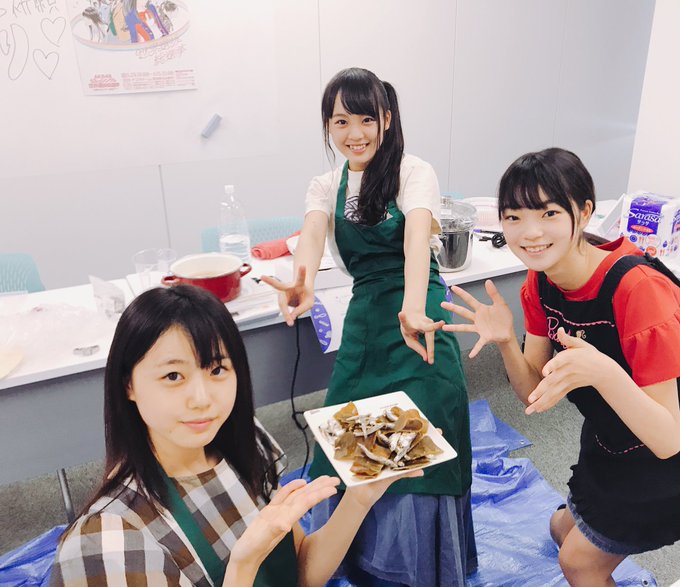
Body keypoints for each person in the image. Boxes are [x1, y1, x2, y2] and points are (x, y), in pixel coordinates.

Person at [51, 284, 421, 587]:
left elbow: (301, 574)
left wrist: (359, 498)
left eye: (217, 370)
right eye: (173, 376)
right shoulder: (109, 541)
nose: (202, 399)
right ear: (128, 385)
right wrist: (244, 564)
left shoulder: (245, 447)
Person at [262, 67, 476, 586]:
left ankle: (420, 565)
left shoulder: (413, 171)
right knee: (354, 431)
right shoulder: (326, 184)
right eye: (341, 121)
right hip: (366, 317)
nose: (354, 133)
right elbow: (313, 233)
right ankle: (359, 556)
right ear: (327, 126)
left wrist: (413, 308)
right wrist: (303, 279)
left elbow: (416, 237)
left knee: (423, 432)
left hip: (419, 311)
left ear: (387, 119)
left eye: (365, 119)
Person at [442, 147, 680, 585]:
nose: (530, 233)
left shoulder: (638, 290)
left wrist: (602, 373)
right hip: (610, 440)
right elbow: (534, 395)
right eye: (514, 217)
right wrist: (507, 342)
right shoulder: (541, 281)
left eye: (549, 213)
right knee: (559, 529)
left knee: (577, 563)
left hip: (664, 463)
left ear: (584, 212)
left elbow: (668, 440)